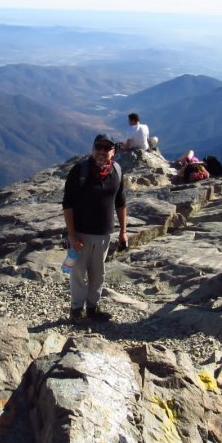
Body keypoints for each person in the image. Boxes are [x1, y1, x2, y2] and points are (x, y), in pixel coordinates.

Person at [62, 133, 128, 323]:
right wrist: (72, 235)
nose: (101, 151)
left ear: (113, 151)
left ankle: (92, 307)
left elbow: (121, 202)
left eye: (106, 148)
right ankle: (76, 309)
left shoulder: (116, 171)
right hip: (80, 234)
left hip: (104, 234)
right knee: (78, 273)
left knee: (98, 274)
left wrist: (123, 231)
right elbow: (68, 204)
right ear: (92, 149)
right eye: (98, 147)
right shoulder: (79, 171)